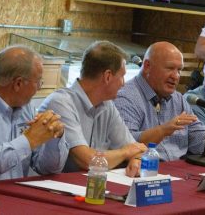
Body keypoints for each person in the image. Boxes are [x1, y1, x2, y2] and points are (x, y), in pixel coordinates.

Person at [114, 41, 205, 167]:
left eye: (179, 70)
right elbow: (125, 145)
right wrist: (162, 131)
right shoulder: (126, 97)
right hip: (143, 172)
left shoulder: (178, 100)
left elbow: (200, 137)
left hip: (178, 175)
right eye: (170, 68)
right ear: (147, 66)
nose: (176, 76)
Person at [39, 41, 147, 177]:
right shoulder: (61, 103)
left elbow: (138, 150)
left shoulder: (107, 105)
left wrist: (135, 158)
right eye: (122, 76)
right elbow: (87, 161)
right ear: (107, 76)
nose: (124, 83)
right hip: (55, 189)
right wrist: (125, 153)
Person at [0, 45, 68, 181]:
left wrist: (53, 137)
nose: (39, 88)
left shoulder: (26, 107)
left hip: (17, 196)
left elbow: (46, 169)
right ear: (18, 83)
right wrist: (29, 140)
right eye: (38, 82)